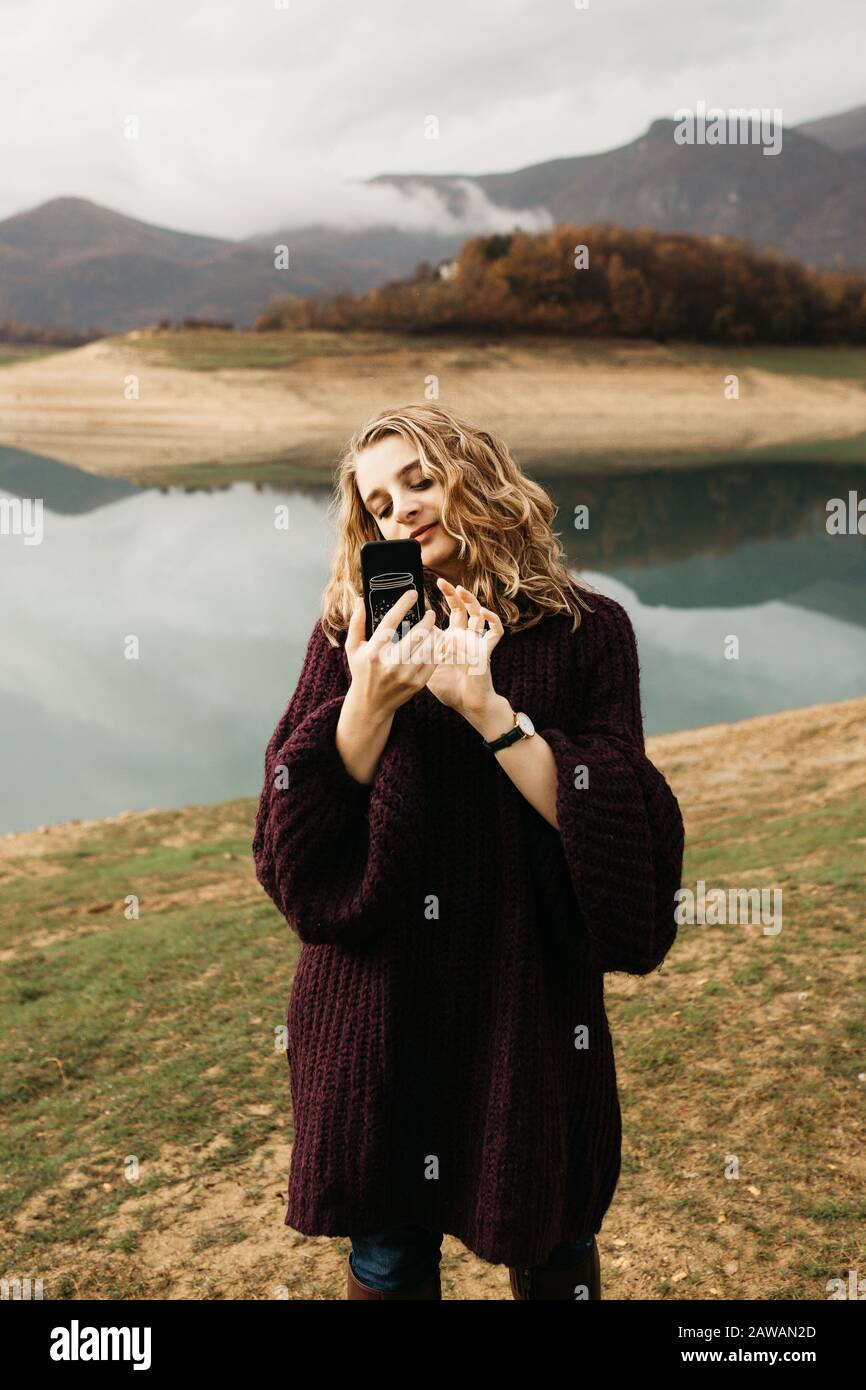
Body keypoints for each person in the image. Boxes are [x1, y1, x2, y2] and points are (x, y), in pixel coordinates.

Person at [252, 402, 685, 1300]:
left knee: (554, 1241)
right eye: (377, 503)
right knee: (388, 1259)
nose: (400, 510)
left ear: (475, 476)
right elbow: (289, 853)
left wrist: (489, 711)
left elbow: (625, 834)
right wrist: (366, 702)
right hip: (377, 1014)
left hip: (525, 1008)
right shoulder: (350, 638)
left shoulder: (586, 631)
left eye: (418, 480)